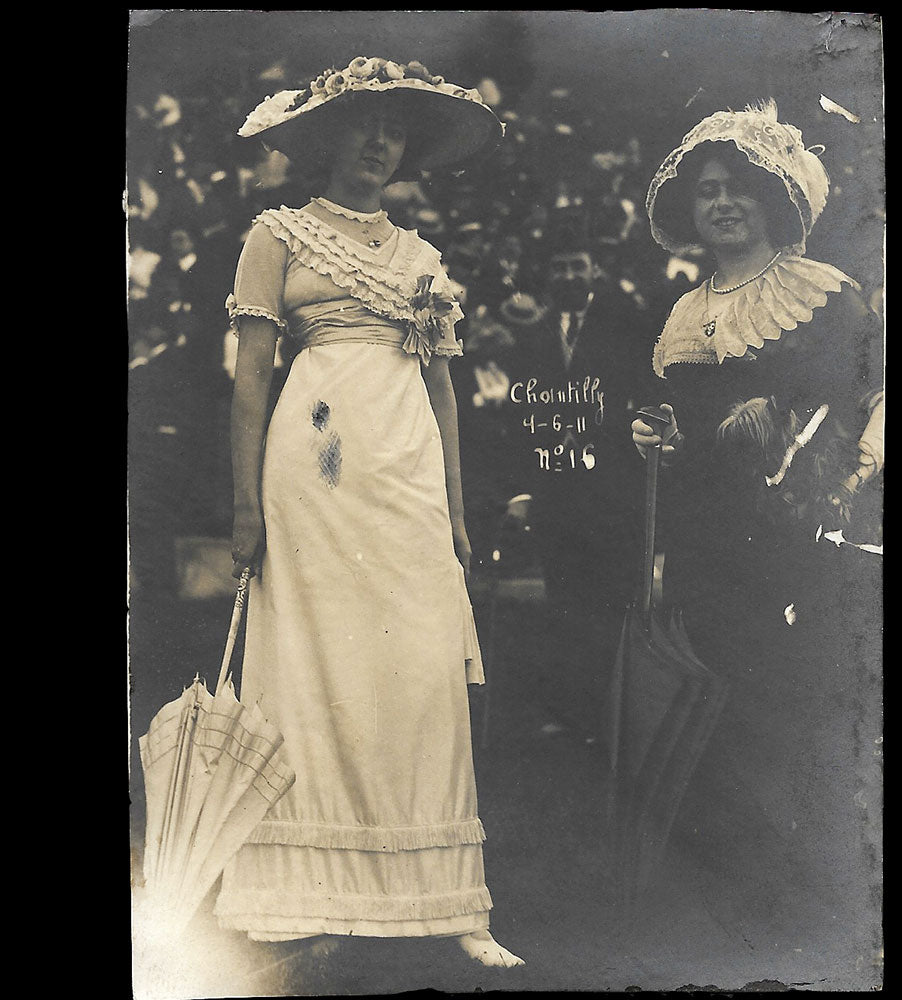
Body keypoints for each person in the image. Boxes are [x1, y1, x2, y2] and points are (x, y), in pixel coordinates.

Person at [215, 55, 523, 968]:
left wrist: (458, 508)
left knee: (421, 666)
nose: (379, 141)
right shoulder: (276, 234)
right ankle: (308, 893)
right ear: (326, 137)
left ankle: (446, 896)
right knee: (318, 664)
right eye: (362, 124)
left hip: (406, 476)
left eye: (394, 128)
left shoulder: (424, 258)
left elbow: (446, 394)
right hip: (312, 471)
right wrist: (241, 505)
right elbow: (250, 380)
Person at [630, 102, 883, 927]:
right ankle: (729, 893)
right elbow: (685, 431)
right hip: (707, 543)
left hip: (798, 538)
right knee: (714, 703)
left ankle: (811, 899)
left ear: (772, 201)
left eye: (738, 189)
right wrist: (656, 437)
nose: (723, 204)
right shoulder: (681, 314)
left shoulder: (823, 294)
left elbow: (861, 399)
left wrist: (816, 464)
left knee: (795, 708)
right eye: (707, 192)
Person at [506, 211, 660, 742]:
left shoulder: (625, 325)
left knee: (614, 605)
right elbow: (521, 419)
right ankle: (571, 715)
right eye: (560, 268)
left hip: (612, 494)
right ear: (549, 275)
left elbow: (646, 402)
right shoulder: (532, 337)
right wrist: (525, 490)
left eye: (579, 266)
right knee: (564, 605)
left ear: (594, 270)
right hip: (556, 497)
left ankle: (617, 716)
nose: (570, 276)